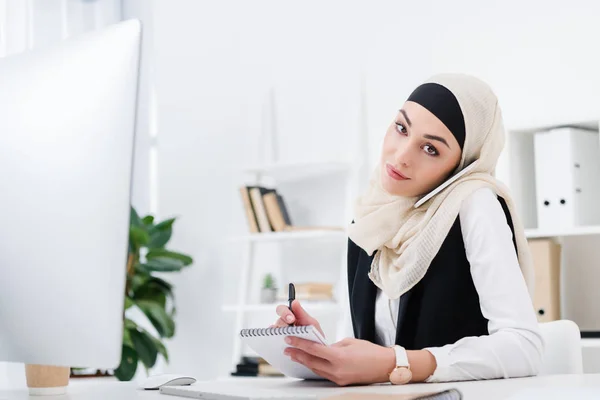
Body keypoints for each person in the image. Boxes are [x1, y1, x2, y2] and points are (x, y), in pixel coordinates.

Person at [271, 73, 544, 386]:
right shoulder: (372, 214)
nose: (401, 157)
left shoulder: (473, 203)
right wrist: (319, 351)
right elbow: (361, 345)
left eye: (430, 149)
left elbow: (524, 347)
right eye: (401, 128)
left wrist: (398, 362)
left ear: (461, 164)